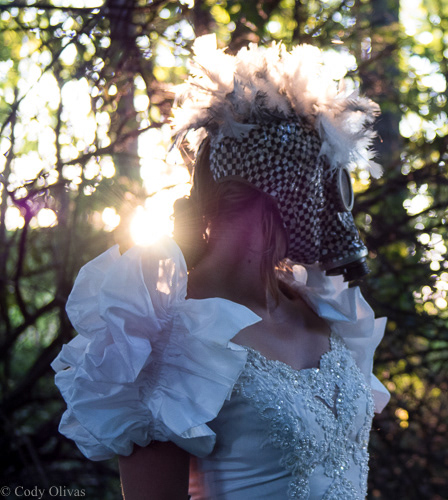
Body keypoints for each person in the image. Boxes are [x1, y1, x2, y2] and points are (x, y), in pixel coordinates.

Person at [52, 35, 390, 499]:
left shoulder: (325, 308)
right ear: (272, 195)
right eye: (319, 186)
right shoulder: (164, 336)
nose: (331, 210)